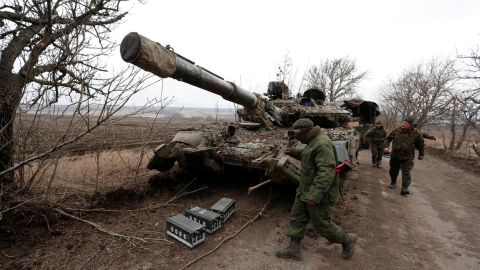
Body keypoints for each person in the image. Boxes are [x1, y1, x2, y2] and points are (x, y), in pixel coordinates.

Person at [276, 118, 357, 261]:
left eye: (297, 133)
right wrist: (294, 152)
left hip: (320, 193)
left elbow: (326, 172)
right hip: (305, 189)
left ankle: (347, 239)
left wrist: (315, 195)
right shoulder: (312, 140)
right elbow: (309, 156)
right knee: (297, 218)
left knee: (322, 225)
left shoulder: (322, 144)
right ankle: (294, 249)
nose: (296, 136)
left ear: (305, 131)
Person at [384, 116, 425, 195]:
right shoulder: (396, 130)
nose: (403, 124)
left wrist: (421, 154)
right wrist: (386, 147)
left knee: (406, 171)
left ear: (410, 124)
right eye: (402, 122)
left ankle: (405, 187)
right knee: (393, 169)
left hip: (408, 156)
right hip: (395, 155)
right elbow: (388, 138)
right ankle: (393, 181)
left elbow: (421, 144)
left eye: (405, 123)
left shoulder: (416, 133)